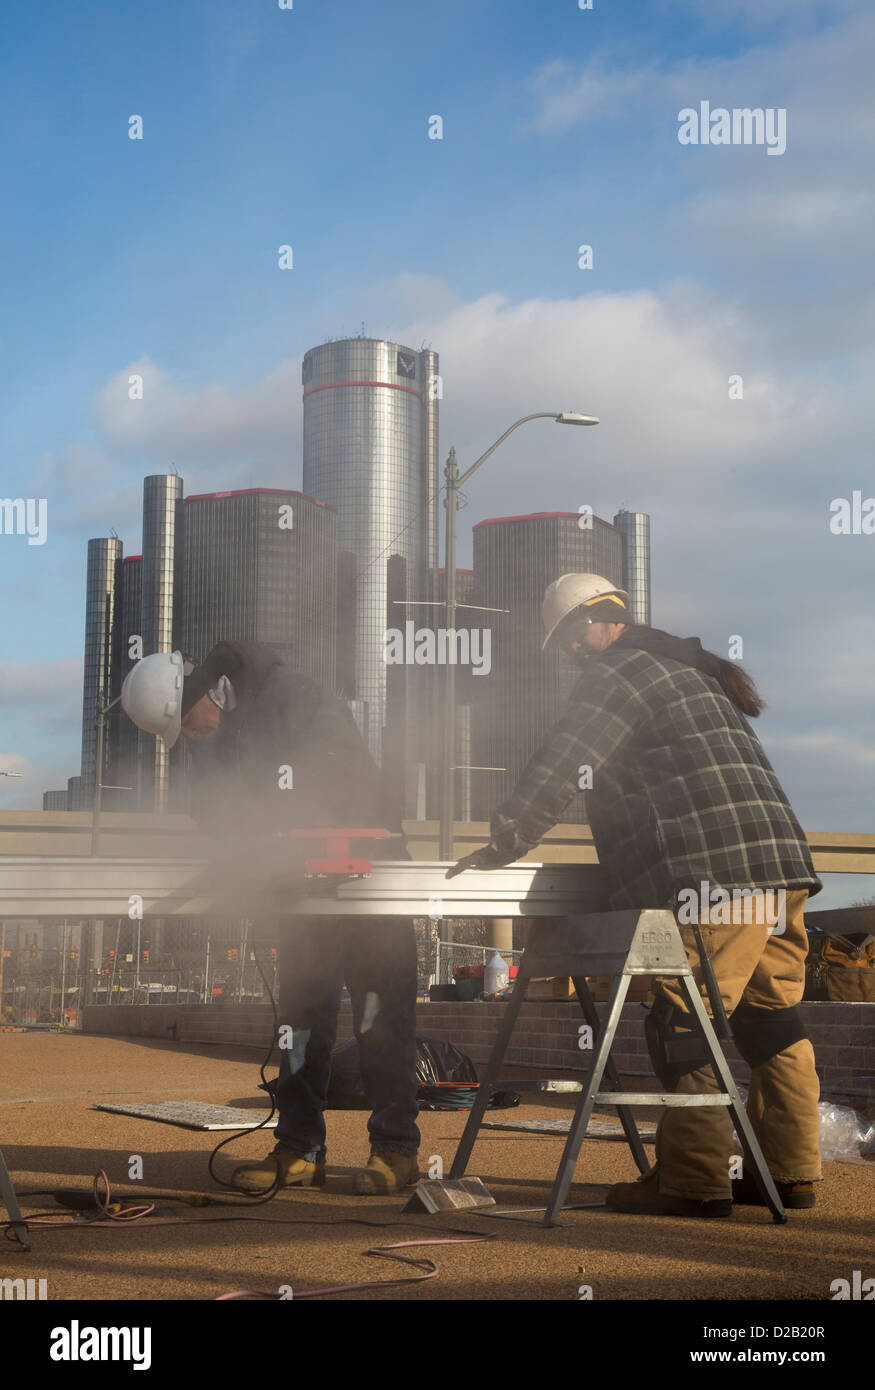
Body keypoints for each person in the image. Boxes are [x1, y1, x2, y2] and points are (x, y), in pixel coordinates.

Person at [448, 574, 822, 1218]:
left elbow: (565, 759)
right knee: (771, 1021)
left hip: (717, 879)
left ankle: (693, 1182)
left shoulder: (616, 671)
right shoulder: (687, 669)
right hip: (778, 870)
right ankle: (789, 1173)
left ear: (602, 620)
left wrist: (507, 837)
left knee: (687, 1021)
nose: (568, 652)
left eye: (569, 635)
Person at [122, 641, 420, 1196]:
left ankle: (396, 1149)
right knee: (302, 1021)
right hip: (298, 882)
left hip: (368, 873)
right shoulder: (217, 733)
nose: (190, 737)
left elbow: (341, 769)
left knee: (382, 1015)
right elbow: (210, 807)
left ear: (206, 693)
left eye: (189, 725)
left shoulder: (292, 695)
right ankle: (300, 1147)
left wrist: (279, 829)